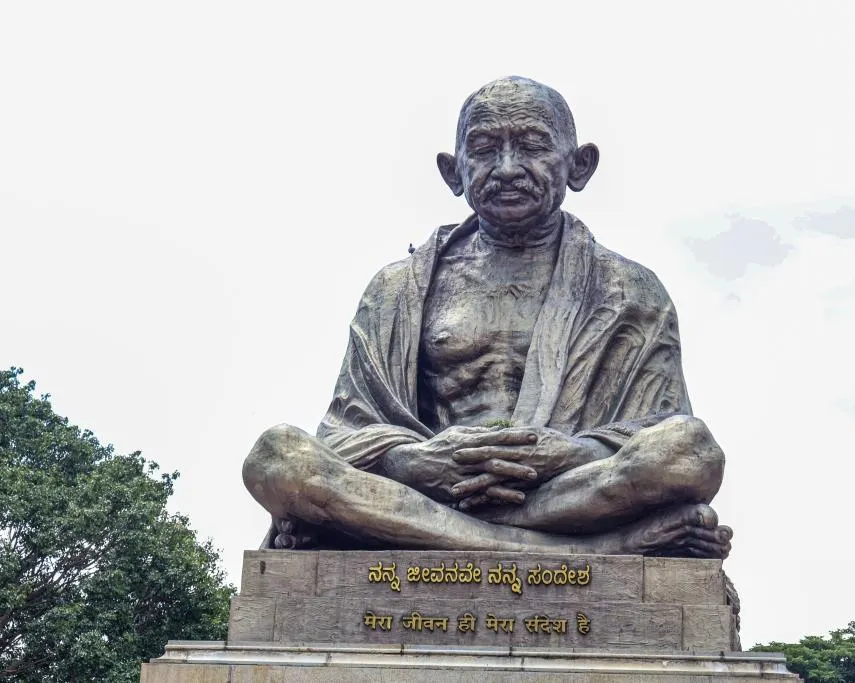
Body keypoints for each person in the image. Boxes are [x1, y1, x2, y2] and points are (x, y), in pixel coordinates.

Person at [243, 76, 732, 559]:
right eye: (483, 149)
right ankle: (599, 548)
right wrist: (411, 461)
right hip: (429, 490)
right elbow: (347, 433)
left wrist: (566, 454)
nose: (507, 168)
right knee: (277, 457)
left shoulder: (630, 290)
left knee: (690, 451)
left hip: (560, 491)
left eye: (533, 146)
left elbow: (657, 433)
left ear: (579, 165)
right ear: (453, 172)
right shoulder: (396, 290)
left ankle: (413, 531)